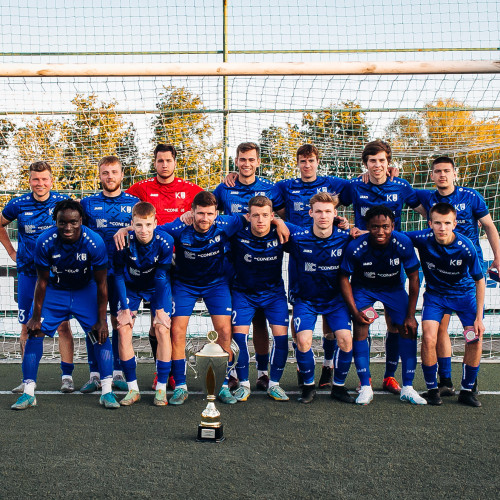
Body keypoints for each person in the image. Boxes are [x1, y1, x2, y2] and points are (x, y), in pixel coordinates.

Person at [11, 199, 119, 410]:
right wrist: (36, 316)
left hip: (85, 291)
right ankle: (28, 393)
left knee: (100, 334)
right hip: (55, 291)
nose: (68, 227)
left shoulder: (94, 241)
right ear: (56, 221)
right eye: (62, 222)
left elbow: (102, 283)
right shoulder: (45, 240)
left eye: (73, 222)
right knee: (35, 332)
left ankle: (107, 392)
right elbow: (42, 281)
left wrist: (102, 319)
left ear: (81, 221)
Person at [342, 140, 426, 395]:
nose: (377, 165)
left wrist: (441, 231)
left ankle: (390, 377)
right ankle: (364, 380)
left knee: (395, 324)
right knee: (362, 320)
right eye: (372, 161)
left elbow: (424, 211)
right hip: (364, 265)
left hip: (392, 266)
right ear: (365, 163)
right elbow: (329, 203)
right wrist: (346, 227)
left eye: (381, 160)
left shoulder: (401, 185)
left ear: (389, 163)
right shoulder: (355, 185)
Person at [415, 156, 500, 395]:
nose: (442, 175)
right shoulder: (427, 198)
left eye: (446, 171)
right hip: (438, 277)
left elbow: (489, 226)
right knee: (437, 331)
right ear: (432, 175)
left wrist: (498, 257)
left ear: (455, 173)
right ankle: (445, 382)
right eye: (438, 171)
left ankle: (469, 384)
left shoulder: (471, 196)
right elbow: (400, 191)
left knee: (473, 333)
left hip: (467, 275)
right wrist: (389, 174)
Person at [126, 144, 202, 388]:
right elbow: (121, 202)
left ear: (175, 162)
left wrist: (230, 178)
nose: (164, 165)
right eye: (160, 160)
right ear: (155, 163)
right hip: (149, 261)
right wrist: (125, 228)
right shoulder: (142, 188)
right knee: (156, 323)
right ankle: (159, 371)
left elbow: (211, 205)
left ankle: (171, 371)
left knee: (169, 321)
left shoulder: (190, 189)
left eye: (168, 160)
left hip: (179, 261)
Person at [213, 142, 285, 391]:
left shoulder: (270, 188)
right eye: (242, 159)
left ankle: (263, 372)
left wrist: (279, 223)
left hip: (262, 261)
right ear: (236, 161)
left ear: (258, 162)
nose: (246, 164)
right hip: (232, 262)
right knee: (231, 324)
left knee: (261, 321)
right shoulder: (224, 187)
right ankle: (233, 372)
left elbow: (282, 215)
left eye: (251, 159)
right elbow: (210, 213)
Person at [0, 161, 74, 394]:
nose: (40, 183)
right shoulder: (18, 204)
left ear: (51, 180)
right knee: (27, 328)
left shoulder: (63, 203)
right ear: (30, 180)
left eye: (44, 179)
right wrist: (11, 251)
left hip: (57, 274)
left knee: (63, 325)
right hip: (28, 273)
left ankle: (67, 377)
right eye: (35, 179)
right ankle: (27, 378)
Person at [340, 205, 425, 406]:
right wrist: (354, 311)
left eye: (385, 227)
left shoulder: (403, 243)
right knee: (361, 326)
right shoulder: (356, 246)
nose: (380, 231)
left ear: (393, 226)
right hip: (364, 289)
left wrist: (411, 315)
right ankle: (365, 386)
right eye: (375, 227)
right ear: (367, 226)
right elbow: (343, 278)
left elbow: (414, 278)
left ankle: (407, 386)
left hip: (393, 289)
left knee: (408, 328)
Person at [407, 203, 485, 407]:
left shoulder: (466, 246)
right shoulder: (422, 238)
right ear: (430, 223)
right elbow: (393, 235)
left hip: (464, 296)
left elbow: (480, 280)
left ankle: (467, 391)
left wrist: (479, 317)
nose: (442, 228)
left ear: (455, 224)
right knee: (428, 337)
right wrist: (361, 232)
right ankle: (433, 390)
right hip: (436, 296)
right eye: (438, 223)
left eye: (447, 223)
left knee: (475, 339)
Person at [287, 192, 354, 404]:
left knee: (346, 340)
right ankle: (308, 386)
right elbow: (271, 224)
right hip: (306, 300)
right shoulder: (297, 238)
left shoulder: (346, 238)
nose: (323, 216)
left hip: (335, 301)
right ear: (310, 213)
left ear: (335, 214)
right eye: (318, 211)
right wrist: (277, 221)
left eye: (327, 211)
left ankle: (339, 387)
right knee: (303, 341)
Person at [80, 156, 139, 393]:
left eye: (114, 172)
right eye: (105, 172)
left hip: (122, 273)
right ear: (99, 175)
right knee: (93, 321)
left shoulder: (134, 202)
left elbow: (145, 226)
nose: (110, 177)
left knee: (118, 321)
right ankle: (94, 374)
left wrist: (128, 228)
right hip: (93, 273)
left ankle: (117, 372)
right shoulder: (87, 203)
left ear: (122, 175)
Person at [229, 195, 289, 402]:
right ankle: (244, 384)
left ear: (272, 216)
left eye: (265, 215)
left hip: (273, 294)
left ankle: (274, 384)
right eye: (255, 215)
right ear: (248, 216)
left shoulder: (281, 230)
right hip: (243, 293)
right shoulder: (237, 232)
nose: (260, 220)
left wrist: (344, 226)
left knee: (281, 338)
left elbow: (313, 231)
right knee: (239, 338)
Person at [113, 202, 174, 406]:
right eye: (138, 225)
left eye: (148, 225)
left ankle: (161, 389)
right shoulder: (122, 241)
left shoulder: (165, 241)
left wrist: (159, 310)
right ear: (132, 224)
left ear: (155, 223)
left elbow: (161, 276)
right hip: (131, 287)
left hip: (157, 286)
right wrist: (124, 309)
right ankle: (133, 389)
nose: (144, 230)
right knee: (123, 328)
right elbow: (118, 275)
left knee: (162, 328)